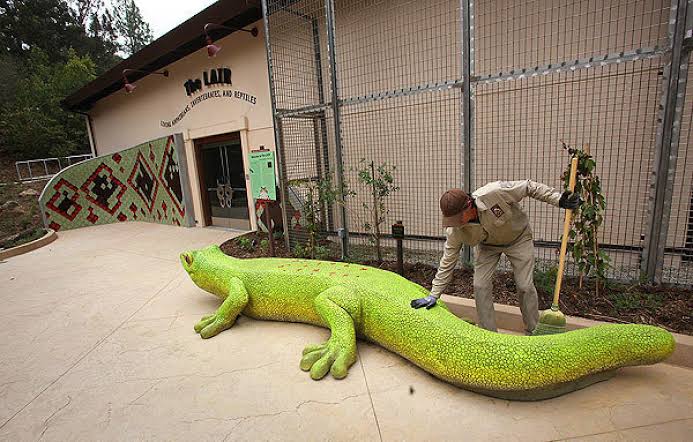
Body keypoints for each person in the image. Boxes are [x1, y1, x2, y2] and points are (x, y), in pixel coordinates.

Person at [410, 180, 581, 334]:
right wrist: (434, 295)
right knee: (479, 285)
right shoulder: (455, 230)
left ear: (468, 205)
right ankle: (488, 334)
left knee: (524, 285)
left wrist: (558, 199)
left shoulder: (494, 192)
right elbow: (448, 260)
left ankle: (533, 329)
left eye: (458, 218)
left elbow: (528, 187)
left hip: (518, 238)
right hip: (488, 247)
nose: (456, 223)